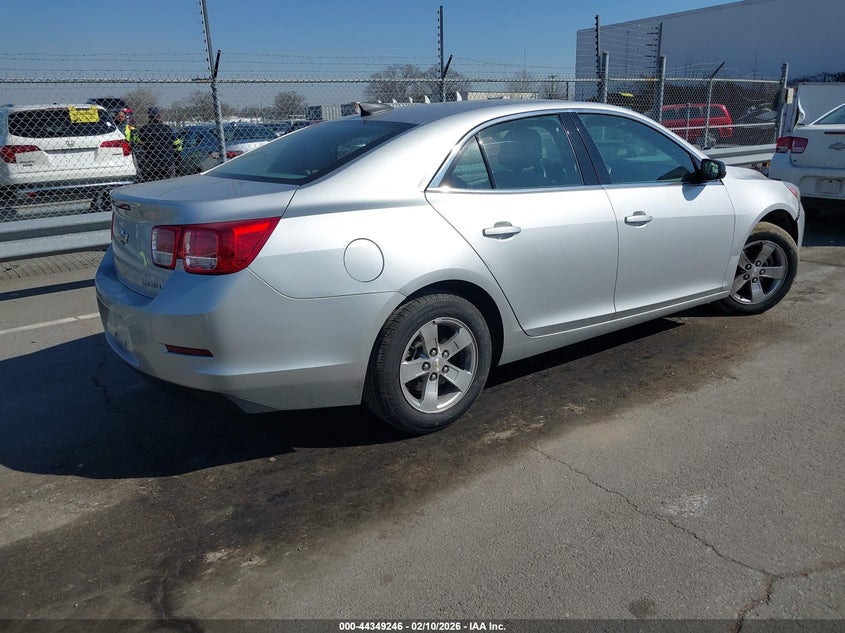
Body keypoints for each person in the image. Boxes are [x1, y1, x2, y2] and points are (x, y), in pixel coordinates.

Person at [136, 107, 177, 182]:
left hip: (152, 160)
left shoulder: (144, 129)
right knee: (170, 181)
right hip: (168, 160)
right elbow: (176, 142)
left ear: (149, 117)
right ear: (160, 116)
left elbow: (139, 142)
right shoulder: (167, 128)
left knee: (154, 182)